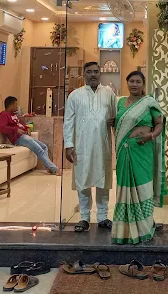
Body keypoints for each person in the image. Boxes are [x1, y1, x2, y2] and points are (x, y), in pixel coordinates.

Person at [111, 71, 166, 245]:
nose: (134, 84)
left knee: (143, 187)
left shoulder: (149, 102)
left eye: (138, 82)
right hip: (124, 150)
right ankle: (124, 229)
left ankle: (144, 226)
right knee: (124, 188)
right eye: (131, 81)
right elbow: (119, 123)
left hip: (143, 149)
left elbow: (159, 124)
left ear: (143, 84)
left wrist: (151, 136)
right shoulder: (120, 102)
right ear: (127, 83)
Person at [63, 61, 117, 233]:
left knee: (103, 181)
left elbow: (116, 118)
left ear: (100, 73)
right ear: (83, 74)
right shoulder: (75, 95)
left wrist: (116, 133)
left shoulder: (109, 94)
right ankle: (84, 218)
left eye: (95, 71)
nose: (93, 74)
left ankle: (102, 217)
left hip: (103, 144)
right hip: (82, 146)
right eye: (89, 71)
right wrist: (68, 144)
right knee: (83, 181)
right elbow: (68, 122)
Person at [0, 96, 58, 174]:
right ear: (11, 105)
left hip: (24, 136)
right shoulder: (3, 114)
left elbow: (19, 124)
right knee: (39, 150)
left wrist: (26, 128)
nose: (17, 107)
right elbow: (1, 128)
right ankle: (54, 169)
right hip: (18, 138)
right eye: (16, 104)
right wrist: (16, 130)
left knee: (44, 147)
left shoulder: (14, 115)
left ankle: (48, 166)